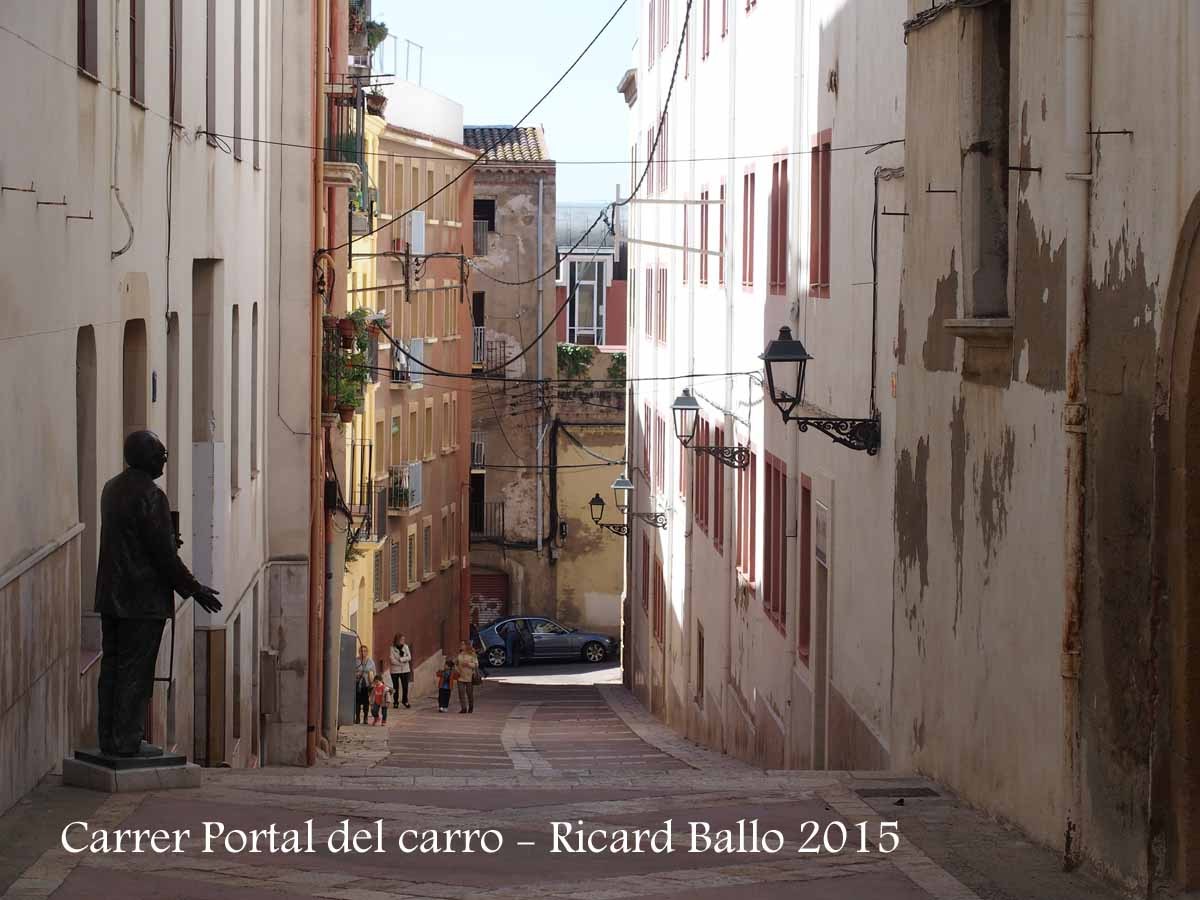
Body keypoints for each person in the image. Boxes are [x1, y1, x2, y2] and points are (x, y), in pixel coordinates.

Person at [95, 431, 221, 757]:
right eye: (160, 454)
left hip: (112, 595)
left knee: (112, 667)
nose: (165, 459)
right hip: (141, 600)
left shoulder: (111, 488)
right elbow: (163, 556)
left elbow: (132, 540)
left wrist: (164, 541)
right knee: (135, 672)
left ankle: (108, 737)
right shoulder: (152, 496)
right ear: (144, 457)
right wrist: (194, 589)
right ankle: (127, 742)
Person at [454, 641, 480, 714]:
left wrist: (468, 664)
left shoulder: (472, 654)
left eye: (462, 644)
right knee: (461, 693)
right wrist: (456, 669)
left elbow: (476, 665)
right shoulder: (459, 654)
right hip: (460, 676)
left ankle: (471, 707)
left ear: (466, 646)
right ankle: (463, 708)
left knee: (469, 693)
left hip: (469, 677)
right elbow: (456, 663)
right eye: (461, 644)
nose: (461, 646)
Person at [389, 633, 412, 709]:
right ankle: (395, 702)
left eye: (404, 639)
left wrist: (401, 659)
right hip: (395, 671)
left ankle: (405, 701)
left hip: (405, 670)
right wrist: (401, 663)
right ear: (397, 640)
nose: (403, 641)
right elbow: (392, 660)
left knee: (405, 686)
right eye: (402, 639)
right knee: (396, 687)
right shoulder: (392, 648)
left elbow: (409, 657)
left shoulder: (406, 647)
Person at [354, 645, 374, 725]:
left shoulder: (370, 661)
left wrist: (373, 684)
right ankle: (357, 717)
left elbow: (373, 672)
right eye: (361, 651)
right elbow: (352, 671)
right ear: (359, 652)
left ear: (367, 652)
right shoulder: (356, 660)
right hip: (358, 683)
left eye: (365, 651)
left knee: (366, 702)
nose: (363, 653)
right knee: (357, 702)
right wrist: (357, 674)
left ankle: (365, 718)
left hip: (367, 684)